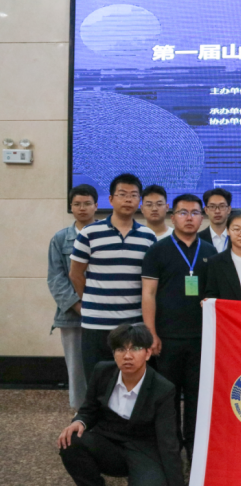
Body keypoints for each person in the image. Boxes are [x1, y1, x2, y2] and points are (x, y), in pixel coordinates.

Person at [57, 323, 184, 487]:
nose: (127, 356)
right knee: (71, 440)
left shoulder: (163, 389)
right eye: (121, 349)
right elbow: (89, 409)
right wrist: (79, 421)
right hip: (108, 444)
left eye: (136, 349)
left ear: (148, 353)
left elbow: (168, 442)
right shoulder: (102, 371)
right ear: (114, 353)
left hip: (143, 450)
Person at [141, 194, 218, 461]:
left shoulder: (210, 252)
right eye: (183, 212)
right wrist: (151, 333)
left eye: (195, 213)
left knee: (198, 398)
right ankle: (170, 452)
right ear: (172, 217)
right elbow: (148, 293)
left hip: (201, 339)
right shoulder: (157, 250)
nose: (189, 218)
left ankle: (196, 452)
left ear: (202, 217)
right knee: (168, 398)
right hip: (167, 338)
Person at [70, 174, 157, 382]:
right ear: (110, 199)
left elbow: (149, 283)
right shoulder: (89, 233)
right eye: (122, 194)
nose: (128, 199)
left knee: (132, 381)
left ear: (139, 201)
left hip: (133, 325)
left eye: (133, 195)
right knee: (97, 382)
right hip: (96, 325)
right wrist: (92, 300)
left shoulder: (148, 237)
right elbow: (75, 274)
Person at [48, 184, 98, 412]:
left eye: (87, 203)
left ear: (96, 206)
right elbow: (56, 279)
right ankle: (81, 413)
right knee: (77, 368)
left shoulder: (105, 234)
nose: (82, 208)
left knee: (105, 364)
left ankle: (106, 413)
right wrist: (78, 306)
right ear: (71, 207)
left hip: (104, 313)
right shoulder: (60, 239)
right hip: (72, 316)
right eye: (77, 204)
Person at [199, 188, 232, 253]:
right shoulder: (198, 239)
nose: (217, 211)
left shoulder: (238, 237)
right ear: (206, 210)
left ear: (228, 209)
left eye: (222, 206)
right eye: (212, 206)